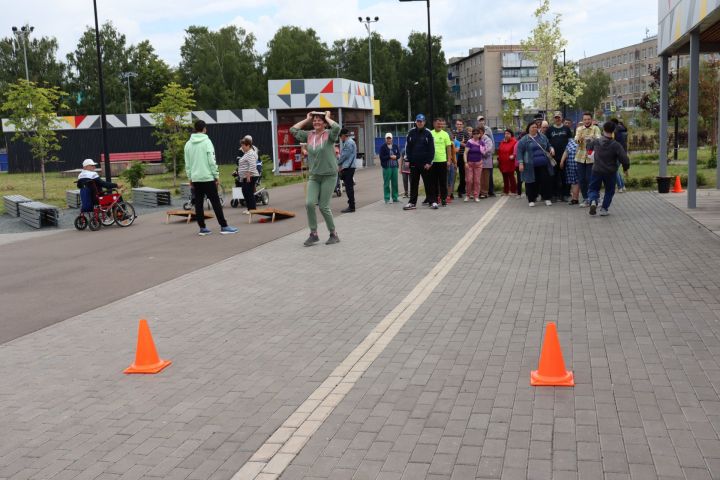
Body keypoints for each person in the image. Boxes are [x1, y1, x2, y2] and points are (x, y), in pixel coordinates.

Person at [290, 111, 342, 246]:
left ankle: (333, 234)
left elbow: (337, 128)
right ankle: (313, 234)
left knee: (324, 206)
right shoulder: (309, 135)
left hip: (329, 175)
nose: (316, 122)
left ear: (324, 123)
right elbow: (293, 130)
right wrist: (307, 119)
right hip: (314, 176)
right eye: (315, 121)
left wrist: (327, 117)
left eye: (319, 120)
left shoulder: (329, 135)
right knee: (309, 203)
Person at [184, 120, 238, 236]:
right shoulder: (207, 142)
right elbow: (212, 161)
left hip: (195, 178)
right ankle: (224, 226)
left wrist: (190, 177)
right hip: (208, 177)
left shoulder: (188, 144)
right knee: (215, 202)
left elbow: (187, 164)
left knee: (198, 203)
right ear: (204, 129)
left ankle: (202, 228)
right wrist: (216, 175)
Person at [587, 121, 630, 216]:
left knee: (593, 188)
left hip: (596, 169)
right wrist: (625, 168)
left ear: (603, 130)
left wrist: (592, 156)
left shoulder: (596, 142)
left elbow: (589, 148)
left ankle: (593, 201)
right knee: (609, 190)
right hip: (610, 171)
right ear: (613, 130)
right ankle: (604, 209)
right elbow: (624, 158)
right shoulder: (616, 145)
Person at [517, 121, 555, 207]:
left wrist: (551, 149)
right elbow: (519, 152)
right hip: (530, 165)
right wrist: (521, 163)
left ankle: (547, 198)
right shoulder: (524, 139)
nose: (534, 129)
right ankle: (531, 199)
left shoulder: (542, 137)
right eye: (532, 127)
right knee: (530, 182)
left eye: (535, 127)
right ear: (528, 129)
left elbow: (549, 145)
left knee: (546, 181)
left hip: (544, 164)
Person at [403, 114, 435, 210]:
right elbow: (407, 147)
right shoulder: (411, 132)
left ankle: (432, 201)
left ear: (424, 122)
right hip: (413, 163)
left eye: (421, 121)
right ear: (415, 122)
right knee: (413, 184)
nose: (419, 123)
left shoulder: (428, 133)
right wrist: (407, 160)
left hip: (425, 164)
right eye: (418, 121)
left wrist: (429, 162)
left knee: (428, 183)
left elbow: (432, 149)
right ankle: (412, 203)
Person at [574, 112, 602, 207]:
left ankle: (594, 198)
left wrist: (592, 138)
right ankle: (586, 198)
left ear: (591, 120)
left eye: (588, 119)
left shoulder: (595, 128)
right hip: (580, 157)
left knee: (591, 178)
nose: (586, 121)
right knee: (582, 179)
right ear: (583, 120)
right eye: (585, 119)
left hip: (591, 156)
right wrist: (581, 138)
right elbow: (576, 140)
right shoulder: (579, 129)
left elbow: (599, 140)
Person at [546, 112, 573, 201]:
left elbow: (571, 141)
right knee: (553, 176)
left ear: (562, 118)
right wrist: (550, 148)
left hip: (565, 157)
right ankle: (554, 195)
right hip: (553, 158)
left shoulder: (566, 129)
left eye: (559, 117)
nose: (557, 119)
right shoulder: (550, 129)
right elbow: (547, 142)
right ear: (554, 118)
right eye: (556, 117)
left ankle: (565, 195)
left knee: (565, 176)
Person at [430, 117, 452, 208]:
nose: (439, 125)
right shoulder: (430, 133)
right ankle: (434, 200)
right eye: (437, 124)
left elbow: (449, 148)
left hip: (442, 161)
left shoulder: (445, 134)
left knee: (443, 182)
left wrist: (449, 160)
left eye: (441, 124)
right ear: (434, 124)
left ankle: (443, 199)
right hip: (432, 162)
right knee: (433, 182)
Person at [237, 137, 259, 213]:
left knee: (248, 192)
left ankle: (252, 209)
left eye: (243, 146)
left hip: (250, 176)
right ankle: (249, 208)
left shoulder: (250, 153)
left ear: (248, 145)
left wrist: (249, 174)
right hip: (246, 176)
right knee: (245, 191)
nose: (242, 147)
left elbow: (252, 164)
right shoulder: (247, 153)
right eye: (241, 145)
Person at [337, 128, 357, 213]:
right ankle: (351, 205)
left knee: (349, 187)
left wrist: (338, 163)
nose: (340, 139)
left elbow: (344, 155)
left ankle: (351, 206)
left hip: (348, 167)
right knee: (349, 187)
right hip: (350, 167)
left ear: (343, 136)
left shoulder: (348, 143)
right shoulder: (351, 142)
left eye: (340, 137)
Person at [463, 128, 486, 202]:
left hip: (478, 164)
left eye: (477, 133)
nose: (476, 135)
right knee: (469, 180)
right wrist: (465, 162)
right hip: (469, 164)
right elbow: (465, 153)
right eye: (474, 133)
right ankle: (468, 195)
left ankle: (476, 196)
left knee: (477, 181)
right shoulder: (469, 142)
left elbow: (484, 152)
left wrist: (483, 149)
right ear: (472, 134)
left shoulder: (482, 142)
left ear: (480, 134)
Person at [379, 132, 400, 204]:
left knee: (395, 183)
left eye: (390, 138)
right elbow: (381, 157)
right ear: (385, 139)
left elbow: (399, 155)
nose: (388, 140)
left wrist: (396, 157)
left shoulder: (395, 146)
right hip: (387, 167)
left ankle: (395, 197)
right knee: (386, 183)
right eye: (387, 139)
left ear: (392, 139)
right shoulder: (383, 147)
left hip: (394, 167)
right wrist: (390, 157)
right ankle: (387, 198)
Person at [477, 116, 495, 196]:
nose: (482, 121)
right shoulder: (476, 137)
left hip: (486, 160)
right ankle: (480, 192)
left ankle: (486, 192)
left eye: (483, 120)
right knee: (480, 177)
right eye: (480, 120)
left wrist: (481, 151)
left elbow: (490, 147)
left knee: (487, 177)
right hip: (478, 161)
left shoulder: (487, 136)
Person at [452, 119, 470, 198]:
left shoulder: (465, 133)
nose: (459, 125)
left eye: (460, 124)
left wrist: (458, 142)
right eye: (457, 124)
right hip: (454, 155)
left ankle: (461, 190)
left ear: (463, 125)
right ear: (456, 125)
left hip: (462, 155)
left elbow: (467, 145)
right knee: (453, 174)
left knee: (462, 174)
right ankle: (450, 192)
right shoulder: (454, 133)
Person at [497, 129, 518, 196]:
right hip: (502, 162)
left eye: (508, 133)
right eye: (505, 133)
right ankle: (506, 191)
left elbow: (516, 151)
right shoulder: (502, 142)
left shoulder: (514, 141)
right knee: (504, 177)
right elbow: (499, 151)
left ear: (511, 134)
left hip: (510, 162)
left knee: (511, 176)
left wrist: (513, 156)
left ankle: (513, 191)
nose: (506, 135)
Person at [560, 138, 580, 204]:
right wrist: (562, 161)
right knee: (574, 182)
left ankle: (589, 199)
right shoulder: (571, 141)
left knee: (584, 182)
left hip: (582, 165)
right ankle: (575, 199)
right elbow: (566, 151)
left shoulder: (588, 140)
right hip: (571, 165)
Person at [611, 118, 628, 193]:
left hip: (617, 153)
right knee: (616, 170)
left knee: (614, 170)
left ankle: (620, 187)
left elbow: (613, 142)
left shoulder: (615, 131)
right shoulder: (624, 130)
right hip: (624, 152)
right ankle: (623, 186)